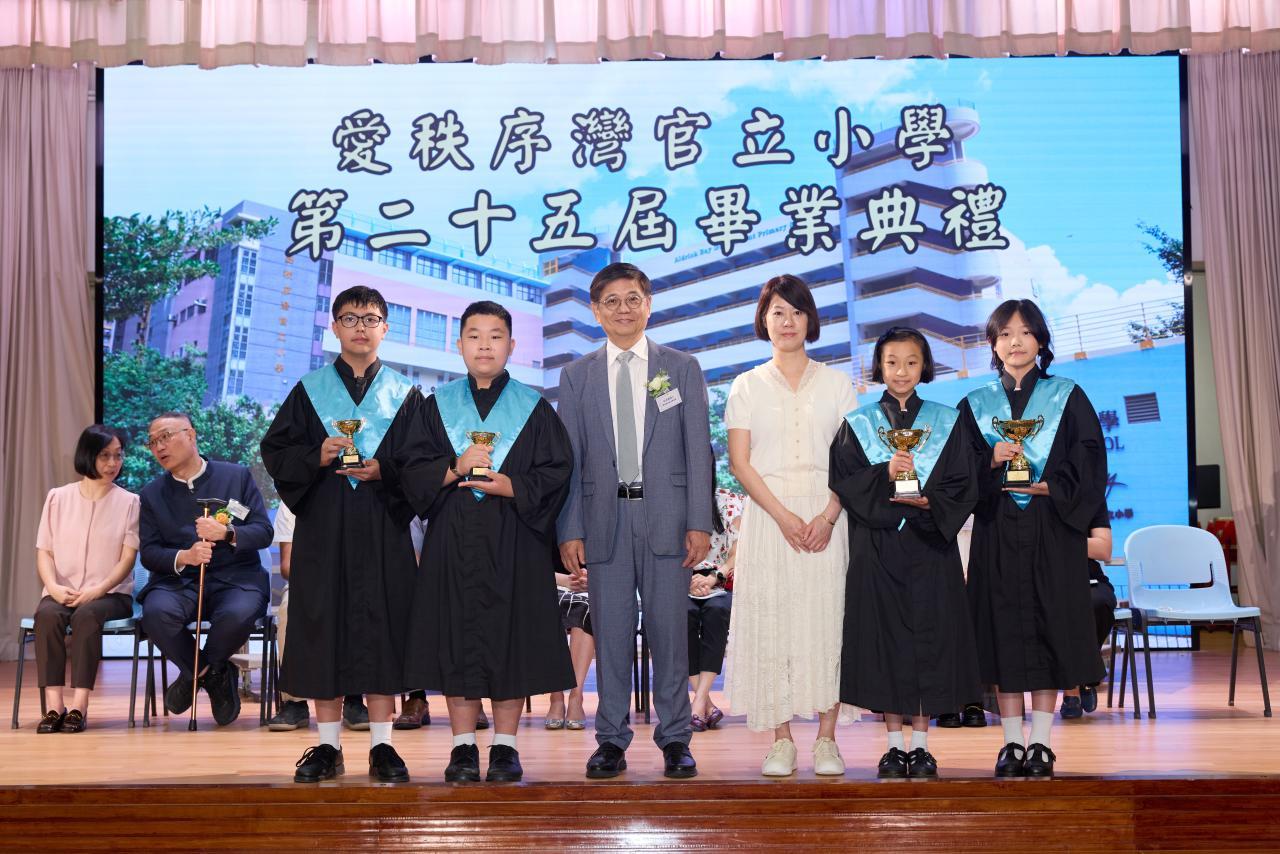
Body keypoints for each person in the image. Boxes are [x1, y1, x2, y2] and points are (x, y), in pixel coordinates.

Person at [403, 300, 574, 782]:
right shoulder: (434, 406)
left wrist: (513, 486)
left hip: (514, 539)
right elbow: (409, 470)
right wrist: (453, 468)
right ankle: (462, 747)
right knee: (455, 639)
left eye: (495, 336)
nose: (484, 345)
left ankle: (505, 747)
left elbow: (558, 471)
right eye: (474, 336)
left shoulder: (534, 408)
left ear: (512, 346)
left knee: (510, 640)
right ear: (459, 345)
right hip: (452, 539)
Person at [260, 285, 424, 783]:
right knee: (322, 632)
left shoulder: (405, 394)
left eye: (370, 318)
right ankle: (327, 746)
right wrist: (316, 455)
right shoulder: (309, 391)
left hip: (382, 526)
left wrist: (385, 471)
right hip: (325, 528)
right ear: (334, 327)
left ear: (385, 329)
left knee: (383, 631)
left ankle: (383, 745)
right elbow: (277, 453)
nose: (360, 327)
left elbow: (423, 462)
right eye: (350, 318)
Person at [557, 262, 713, 780]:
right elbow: (570, 459)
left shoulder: (680, 367)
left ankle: (676, 738)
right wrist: (570, 528)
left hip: (668, 517)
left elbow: (699, 450)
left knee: (670, 633)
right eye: (611, 301)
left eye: (632, 299)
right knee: (611, 634)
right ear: (595, 311)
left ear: (648, 305)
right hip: (604, 519)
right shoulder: (576, 376)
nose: (623, 309)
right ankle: (610, 740)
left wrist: (699, 521)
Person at [957, 299, 1106, 778]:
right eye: (1004, 334)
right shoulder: (974, 405)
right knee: (1002, 632)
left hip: (1051, 530)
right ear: (993, 345)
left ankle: (1040, 743)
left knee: (1048, 632)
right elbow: (956, 472)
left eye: (1024, 332)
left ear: (1040, 340)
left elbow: (1089, 462)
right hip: (997, 529)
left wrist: (1049, 487)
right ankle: (1010, 743)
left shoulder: (1068, 396)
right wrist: (990, 460)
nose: (1014, 342)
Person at [829, 328, 981, 779]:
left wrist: (931, 501)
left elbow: (964, 482)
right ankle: (894, 746)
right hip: (878, 548)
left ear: (924, 366)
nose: (901, 371)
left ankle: (922, 746)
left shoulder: (946, 421)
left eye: (911, 362)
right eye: (892, 362)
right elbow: (845, 481)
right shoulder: (858, 424)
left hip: (930, 544)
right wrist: (884, 472)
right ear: (879, 366)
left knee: (930, 643)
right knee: (886, 644)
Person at [722, 274, 857, 777]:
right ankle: (780, 740)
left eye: (797, 311)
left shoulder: (838, 384)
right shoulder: (746, 385)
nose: (787, 321)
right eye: (777, 311)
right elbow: (740, 463)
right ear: (764, 320)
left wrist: (827, 516)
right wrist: (782, 517)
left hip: (828, 516)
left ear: (810, 320)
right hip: (768, 518)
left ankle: (826, 739)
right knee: (773, 623)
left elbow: (852, 462)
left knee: (827, 622)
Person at [136, 413, 272, 728]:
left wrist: (227, 533)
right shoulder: (152, 494)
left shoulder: (236, 477)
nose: (159, 447)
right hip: (179, 582)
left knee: (238, 613)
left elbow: (263, 531)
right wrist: (185, 556)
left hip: (236, 578)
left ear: (191, 434)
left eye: (165, 437)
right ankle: (213, 673)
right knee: (156, 613)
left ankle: (194, 674)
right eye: (153, 442)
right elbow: (150, 553)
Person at [32, 425, 139, 733]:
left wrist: (98, 589)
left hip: (111, 595)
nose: (113, 463)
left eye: (118, 455)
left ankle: (79, 706)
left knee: (86, 616)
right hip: (62, 591)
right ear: (87, 456)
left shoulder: (130, 502)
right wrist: (53, 587)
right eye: (105, 456)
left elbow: (127, 558)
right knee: (47, 615)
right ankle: (54, 706)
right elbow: (44, 551)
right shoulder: (57, 498)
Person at [687, 483, 743, 732]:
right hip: (681, 581)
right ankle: (705, 704)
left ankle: (698, 701)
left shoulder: (729, 501)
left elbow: (738, 551)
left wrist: (714, 578)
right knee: (683, 615)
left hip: (719, 581)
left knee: (717, 611)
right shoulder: (672, 499)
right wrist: (687, 582)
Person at [1061, 501, 1117, 719]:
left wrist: (1057, 539)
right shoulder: (1031, 498)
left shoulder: (1090, 498)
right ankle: (1075, 688)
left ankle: (1082, 677)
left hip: (1088, 576)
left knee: (1099, 602)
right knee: (1061, 604)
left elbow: (1103, 549)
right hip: (1044, 576)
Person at [546, 549, 595, 731]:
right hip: (549, 582)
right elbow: (528, 564)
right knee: (545, 607)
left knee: (587, 608)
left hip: (590, 584)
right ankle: (556, 697)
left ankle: (576, 696)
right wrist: (564, 580)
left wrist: (593, 578)